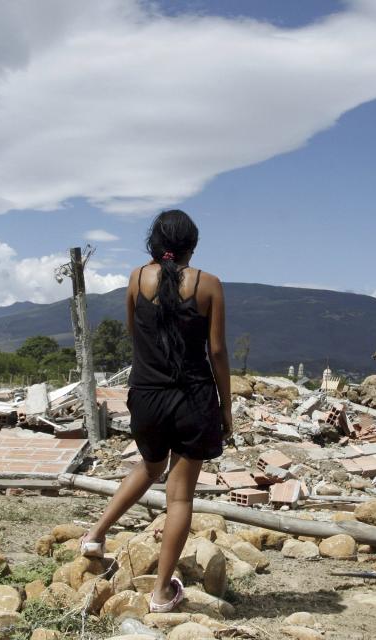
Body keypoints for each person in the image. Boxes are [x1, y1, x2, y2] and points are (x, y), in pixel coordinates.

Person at [81, 209, 232, 613]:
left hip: (145, 395)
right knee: (179, 498)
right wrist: (226, 409)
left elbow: (134, 331)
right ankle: (162, 592)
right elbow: (216, 352)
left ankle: (95, 535)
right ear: (192, 246)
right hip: (192, 398)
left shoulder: (136, 278)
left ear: (155, 243)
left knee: (149, 466)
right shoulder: (210, 285)